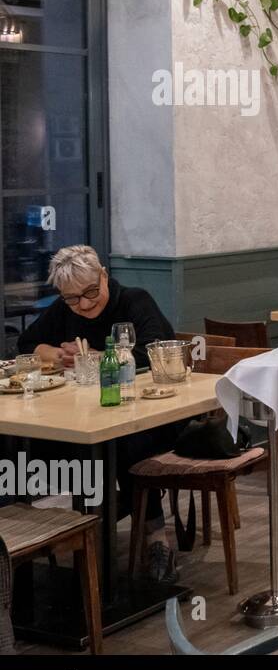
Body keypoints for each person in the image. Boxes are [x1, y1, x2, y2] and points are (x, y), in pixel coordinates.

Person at [17, 245, 178, 581]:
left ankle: (155, 537)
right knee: (35, 445)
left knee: (125, 445)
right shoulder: (66, 310)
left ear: (104, 275)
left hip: (156, 412)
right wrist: (53, 354)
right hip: (88, 413)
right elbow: (27, 344)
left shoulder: (134, 300)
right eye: (73, 299)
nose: (85, 304)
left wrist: (94, 358)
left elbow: (152, 353)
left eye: (91, 292)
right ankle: (47, 538)